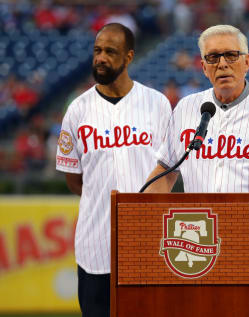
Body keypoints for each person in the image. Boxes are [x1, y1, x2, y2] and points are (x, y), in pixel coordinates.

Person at [145, 24, 249, 236]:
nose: (222, 64)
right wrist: (141, 209)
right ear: (204, 67)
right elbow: (165, 170)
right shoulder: (186, 108)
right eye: (213, 57)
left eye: (231, 55)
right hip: (199, 239)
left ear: (247, 62)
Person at [55, 23, 172, 317]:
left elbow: (169, 168)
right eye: (97, 51)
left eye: (110, 51)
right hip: (95, 244)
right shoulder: (78, 110)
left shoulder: (157, 104)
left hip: (149, 243)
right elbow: (73, 178)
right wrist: (101, 197)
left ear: (129, 56)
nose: (101, 58)